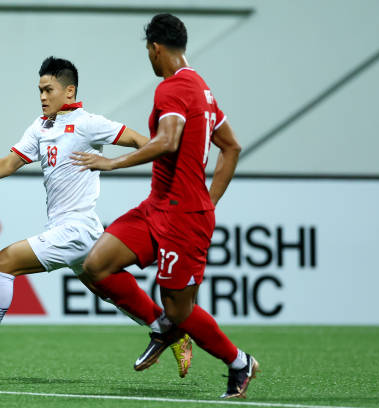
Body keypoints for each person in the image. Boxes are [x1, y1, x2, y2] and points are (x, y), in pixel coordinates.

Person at [0, 56, 192, 377]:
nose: (43, 97)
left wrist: (128, 165)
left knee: (5, 261)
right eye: (40, 91)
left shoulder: (88, 123)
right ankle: (171, 331)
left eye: (49, 90)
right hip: (74, 230)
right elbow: (9, 164)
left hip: (77, 228)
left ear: (69, 91)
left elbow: (144, 142)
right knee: (108, 289)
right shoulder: (40, 127)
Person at [72, 14, 258, 399]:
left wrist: (112, 162)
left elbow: (168, 140)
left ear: (155, 48)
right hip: (157, 207)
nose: (150, 60)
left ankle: (239, 362)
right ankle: (162, 328)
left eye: (148, 53)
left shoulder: (172, 88)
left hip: (183, 220)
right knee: (95, 266)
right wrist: (212, 199)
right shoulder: (202, 89)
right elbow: (231, 147)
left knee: (180, 310)